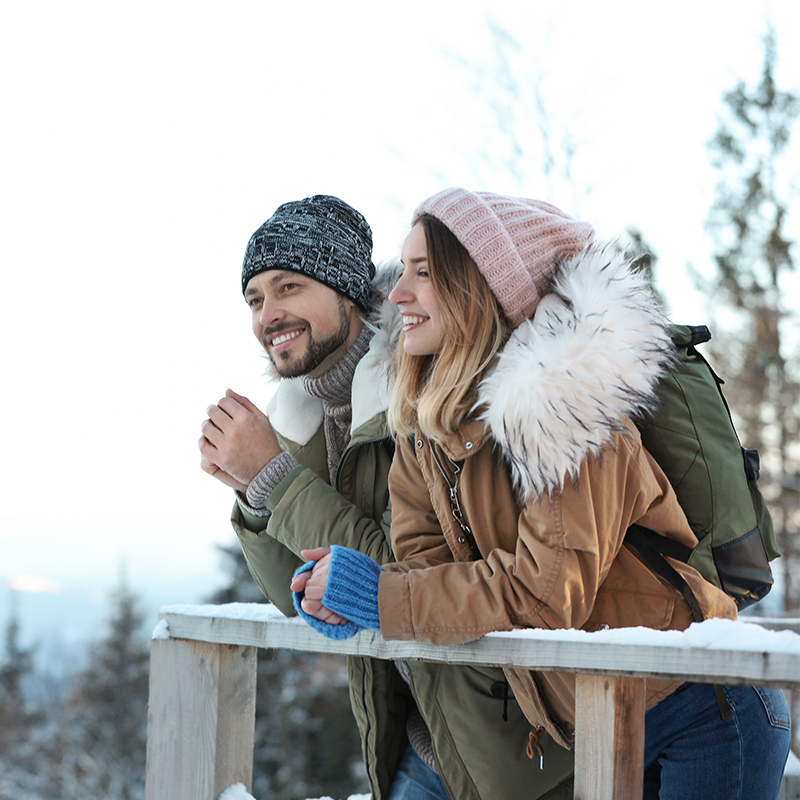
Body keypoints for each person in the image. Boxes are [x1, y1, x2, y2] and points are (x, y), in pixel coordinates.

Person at [291, 188, 793, 800]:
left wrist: (382, 597)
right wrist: (363, 600)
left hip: (702, 714)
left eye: (424, 273)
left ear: (479, 286)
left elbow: (546, 594)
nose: (397, 294)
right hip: (594, 720)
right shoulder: (425, 430)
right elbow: (430, 577)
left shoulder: (570, 408)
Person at [199, 194, 575, 800]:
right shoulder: (301, 419)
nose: (267, 314)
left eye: (287, 287)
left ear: (347, 292)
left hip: (509, 747)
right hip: (418, 742)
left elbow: (399, 574)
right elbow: (294, 594)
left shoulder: (422, 391)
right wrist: (254, 492)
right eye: (254, 299)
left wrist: (273, 475)